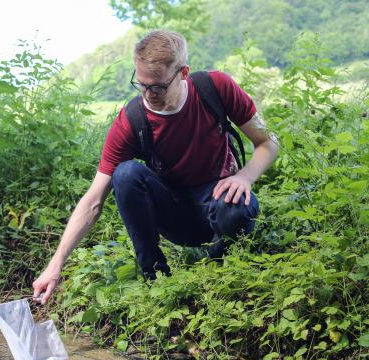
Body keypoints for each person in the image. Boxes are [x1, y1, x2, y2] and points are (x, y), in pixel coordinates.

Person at [32, 30, 279, 304]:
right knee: (124, 174)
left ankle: (218, 269)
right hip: (174, 213)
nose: (149, 94)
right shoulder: (132, 119)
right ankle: (155, 278)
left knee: (238, 205)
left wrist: (245, 177)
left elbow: (269, 142)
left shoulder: (215, 88)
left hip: (218, 205)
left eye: (158, 87)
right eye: (141, 85)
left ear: (183, 73)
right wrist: (55, 265)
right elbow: (93, 200)